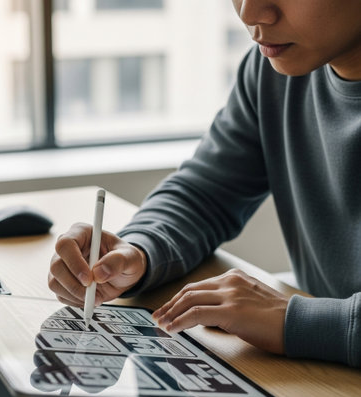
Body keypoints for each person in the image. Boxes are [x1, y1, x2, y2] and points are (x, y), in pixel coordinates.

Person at [48, 0, 361, 368]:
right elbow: (205, 193)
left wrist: (296, 321)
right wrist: (136, 251)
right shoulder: (271, 73)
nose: (249, 13)